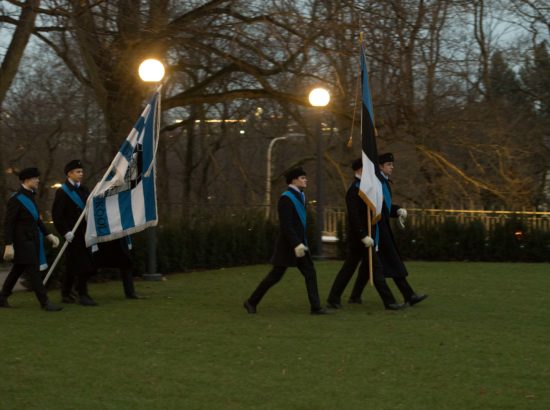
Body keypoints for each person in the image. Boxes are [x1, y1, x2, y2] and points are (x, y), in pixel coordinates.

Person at [244, 167, 330, 315]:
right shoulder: (286, 198)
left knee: (310, 273)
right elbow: (286, 225)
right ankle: (251, 302)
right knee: (275, 276)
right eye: (302, 178)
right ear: (294, 180)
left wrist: (300, 243)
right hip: (289, 246)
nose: (305, 180)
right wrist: (296, 244)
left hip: (300, 245)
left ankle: (316, 307)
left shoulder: (300, 196)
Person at [326, 159, 406, 310]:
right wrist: (363, 236)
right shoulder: (354, 191)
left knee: (349, 268)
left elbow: (380, 208)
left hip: (367, 236)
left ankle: (333, 298)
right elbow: (354, 217)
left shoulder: (367, 188)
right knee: (375, 269)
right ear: (359, 170)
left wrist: (396, 210)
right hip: (360, 238)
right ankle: (389, 302)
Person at [368, 152, 428, 306]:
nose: (392, 167)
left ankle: (408, 295)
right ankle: (406, 296)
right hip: (379, 228)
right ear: (380, 166)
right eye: (389, 164)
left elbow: (385, 207)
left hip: (383, 227)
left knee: (378, 264)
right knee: (389, 262)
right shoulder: (377, 183)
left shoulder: (384, 182)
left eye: (392, 164)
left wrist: (398, 210)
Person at [0, 167, 62, 311]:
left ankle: (2, 297)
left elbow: (36, 220)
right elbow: (8, 224)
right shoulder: (16, 199)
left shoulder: (30, 196)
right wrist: (8, 244)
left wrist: (48, 235)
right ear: (27, 180)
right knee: (34, 272)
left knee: (17, 269)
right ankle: (45, 302)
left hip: (32, 240)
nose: (38, 180)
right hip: (23, 242)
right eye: (36, 178)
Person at [52, 160, 97, 306]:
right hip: (73, 235)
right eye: (78, 171)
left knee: (72, 265)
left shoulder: (84, 189)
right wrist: (65, 232)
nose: (81, 174)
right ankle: (83, 294)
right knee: (82, 265)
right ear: (69, 174)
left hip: (85, 233)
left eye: (82, 171)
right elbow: (57, 215)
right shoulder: (62, 191)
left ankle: (65, 293)